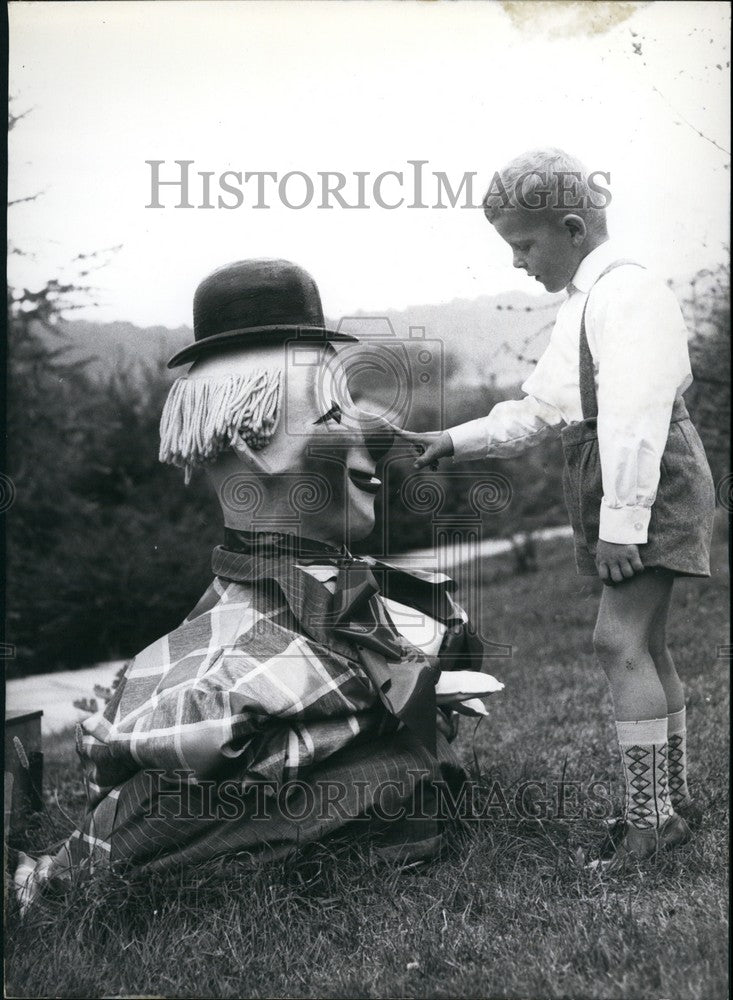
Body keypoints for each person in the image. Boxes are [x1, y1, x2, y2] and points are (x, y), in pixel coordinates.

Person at [14, 258, 502, 915]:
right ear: (251, 439)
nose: (368, 436)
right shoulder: (241, 661)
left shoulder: (336, 610)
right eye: (334, 413)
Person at [402, 149, 715, 867]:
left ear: (572, 228)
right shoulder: (583, 302)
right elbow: (543, 407)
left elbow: (635, 417)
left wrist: (620, 523)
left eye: (522, 244)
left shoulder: (625, 293)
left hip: (643, 479)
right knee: (646, 642)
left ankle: (649, 822)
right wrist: (453, 439)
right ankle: (664, 807)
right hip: (620, 475)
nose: (516, 262)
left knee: (617, 642)